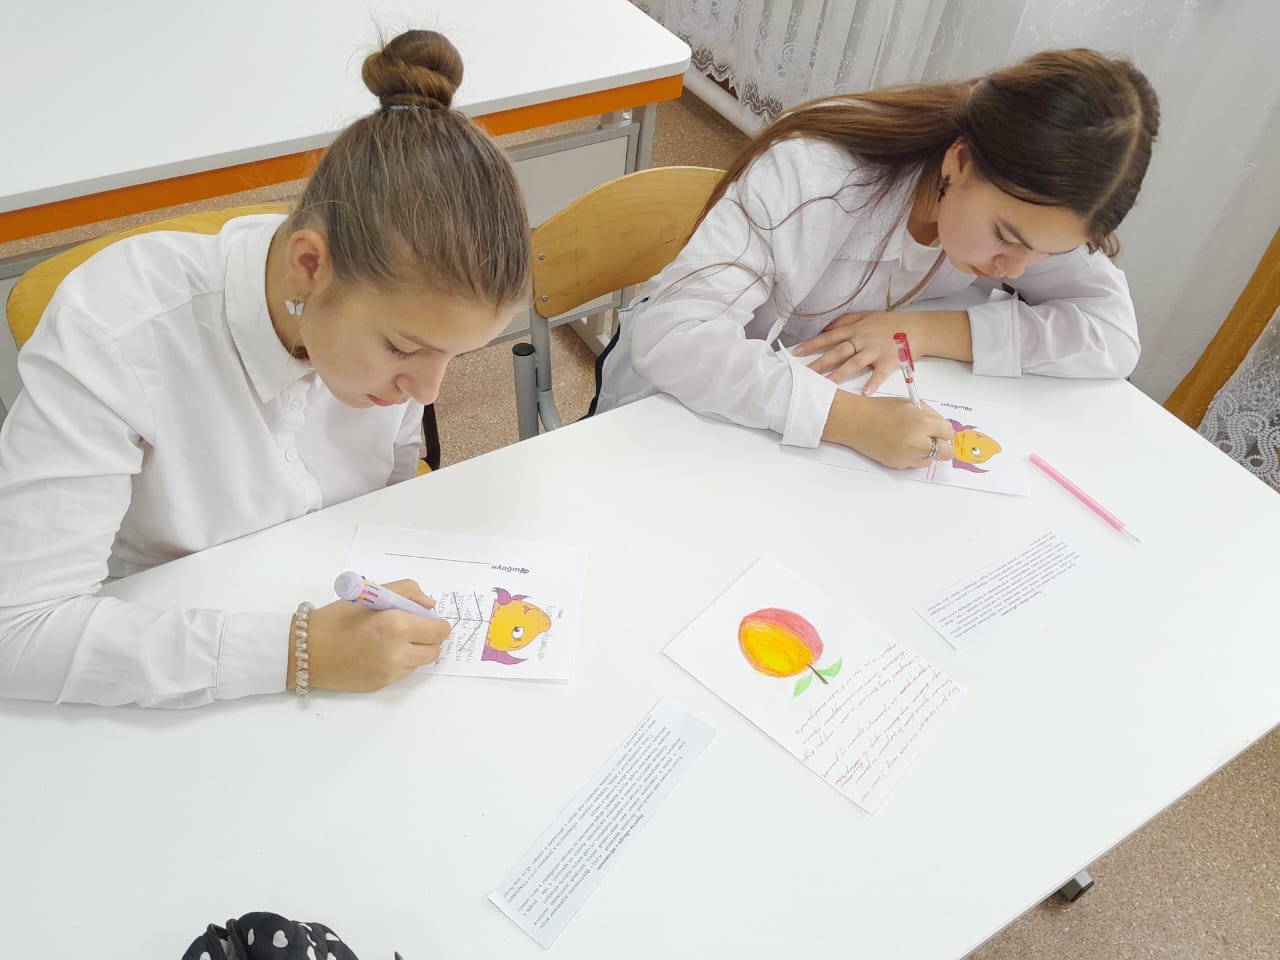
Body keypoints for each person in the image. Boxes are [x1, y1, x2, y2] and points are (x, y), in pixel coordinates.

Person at [0, 30, 531, 708]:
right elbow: (18, 629)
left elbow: (388, 495)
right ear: (309, 266)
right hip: (153, 663)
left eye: (452, 355)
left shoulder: (389, 324)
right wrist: (295, 652)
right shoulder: (117, 328)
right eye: (403, 349)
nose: (427, 393)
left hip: (324, 631)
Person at [595, 48, 1159, 469]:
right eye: (1006, 236)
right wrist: (849, 420)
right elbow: (675, 338)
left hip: (790, 428)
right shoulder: (821, 177)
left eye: (1046, 253)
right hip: (673, 409)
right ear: (960, 162)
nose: (1013, 268)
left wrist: (928, 331)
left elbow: (1112, 335)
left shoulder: (1027, 215)